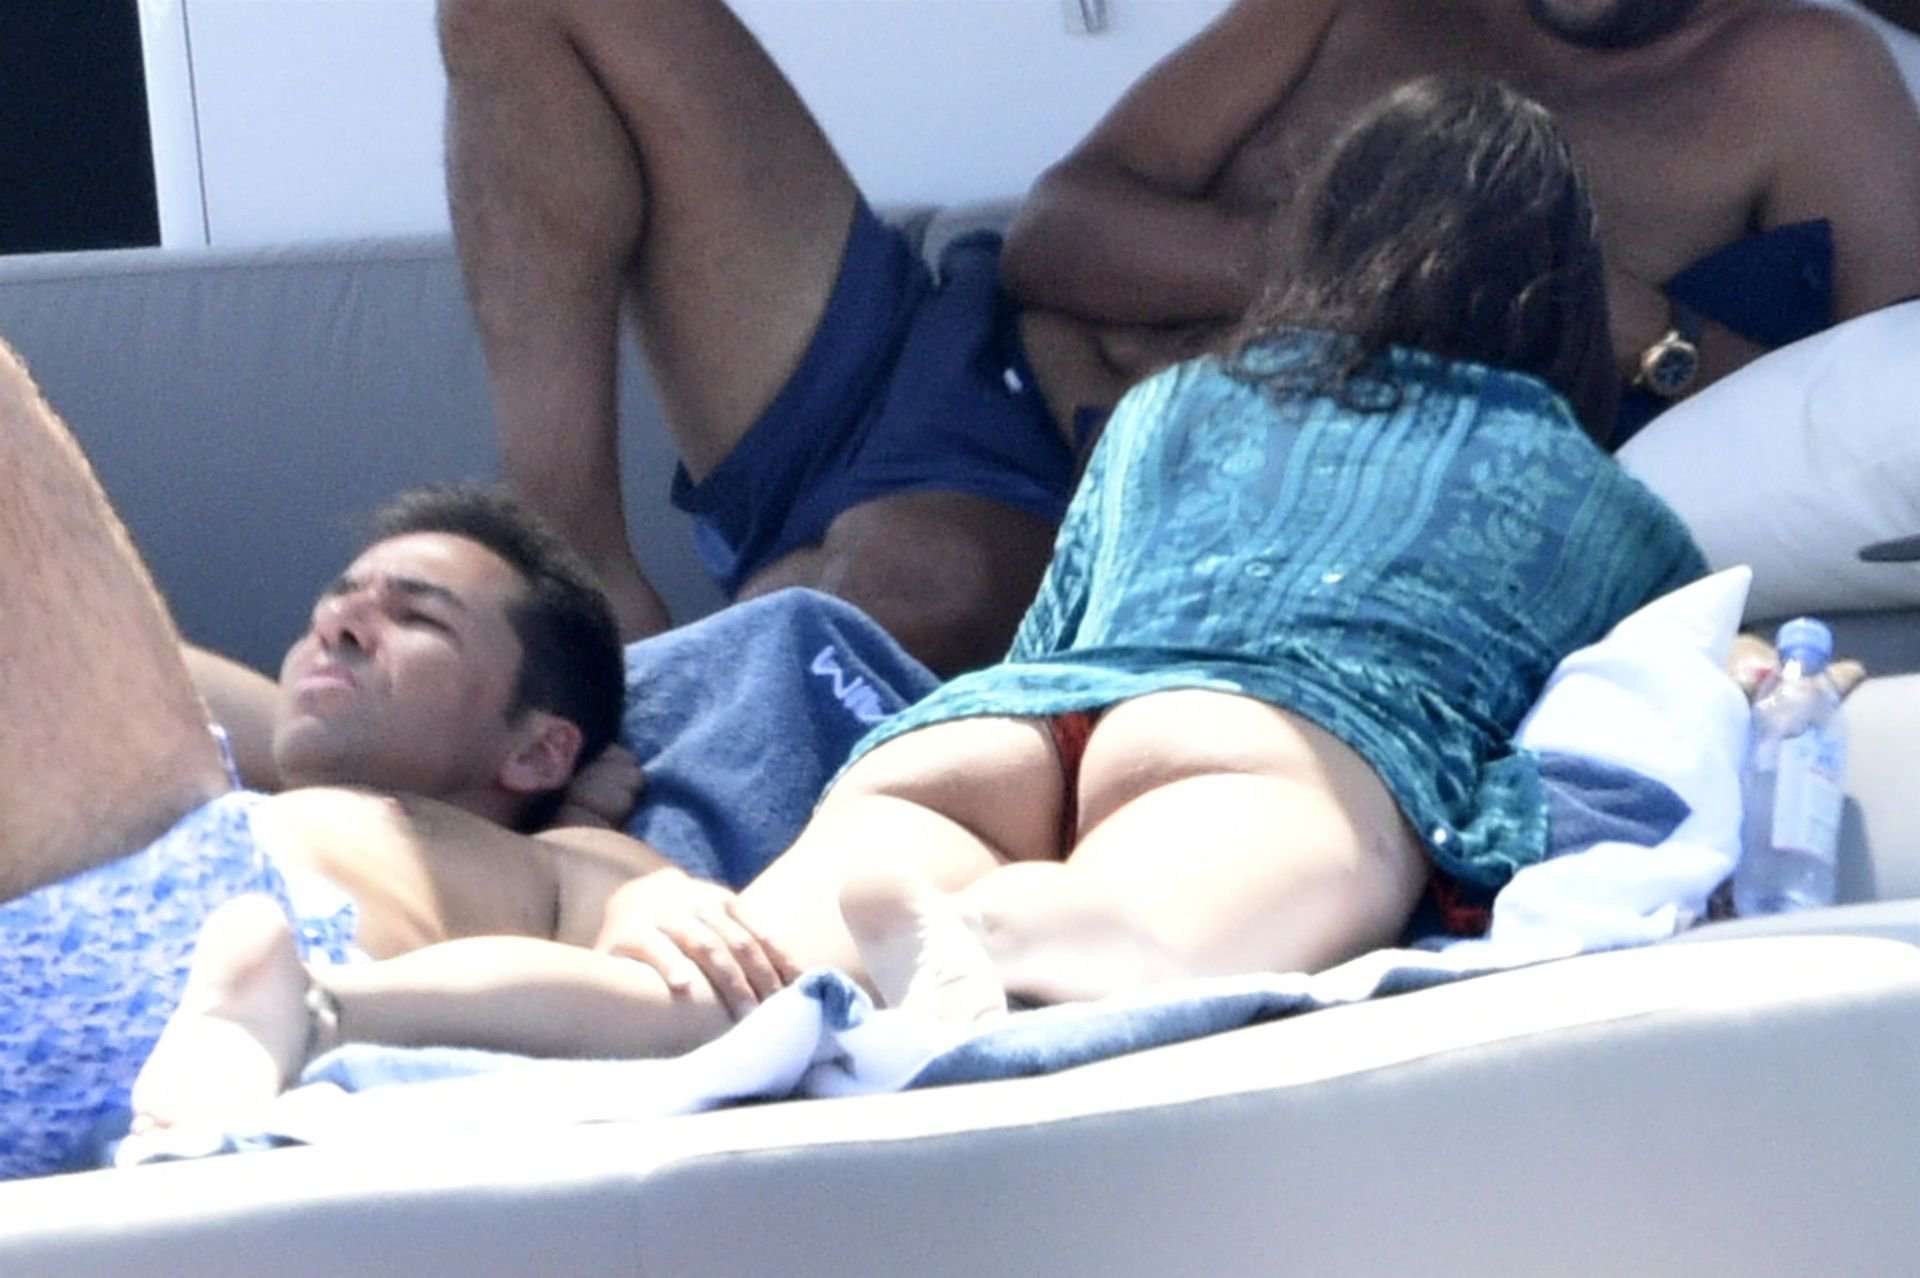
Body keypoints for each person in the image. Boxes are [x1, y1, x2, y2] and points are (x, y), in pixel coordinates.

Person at [131, 76, 1706, 1140]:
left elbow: (1064, 631)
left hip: (986, 735)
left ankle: (316, 1005)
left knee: (704, 994)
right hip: (1277, 740)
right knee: (1142, 935)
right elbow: (1624, 695)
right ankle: (974, 946)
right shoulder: (1587, 482)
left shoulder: (1180, 404)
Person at [436, 0, 1920, 671]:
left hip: (1135, 492)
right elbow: (1062, 227)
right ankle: (576, 572)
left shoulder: (1809, 78)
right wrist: (1330, 278)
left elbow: (1879, 409)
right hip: (949, 350)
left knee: (893, 585)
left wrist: (1640, 334)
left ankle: (626, 734)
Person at [0, 384, 680, 1180]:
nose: (338, 627)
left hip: (239, 985)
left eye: (419, 618)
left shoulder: (561, 862)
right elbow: (97, 644)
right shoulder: (253, 791)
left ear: (537, 751)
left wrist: (603, 838)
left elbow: (668, 978)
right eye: (331, 609)